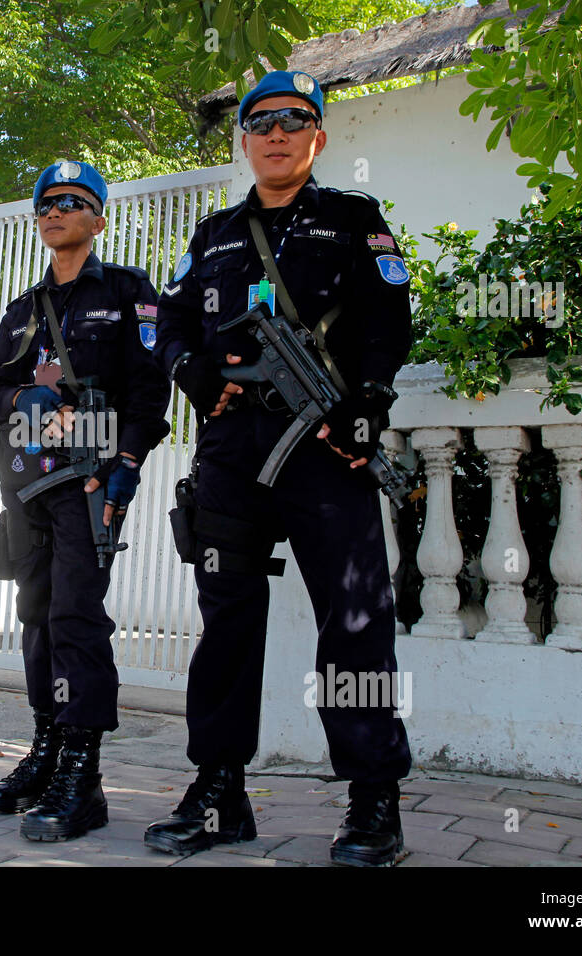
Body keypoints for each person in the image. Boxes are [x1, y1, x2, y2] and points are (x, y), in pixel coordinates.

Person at [145, 70, 414, 865]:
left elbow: (388, 317)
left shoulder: (352, 219)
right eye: (261, 121)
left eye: (294, 120)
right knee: (227, 622)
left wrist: (369, 399)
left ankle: (373, 802)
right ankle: (220, 791)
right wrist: (189, 369)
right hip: (233, 453)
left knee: (354, 623)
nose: (275, 133)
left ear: (317, 137)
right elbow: (170, 318)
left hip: (327, 447)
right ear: (245, 138)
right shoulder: (215, 234)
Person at [0, 161, 170, 841]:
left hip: (88, 482)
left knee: (75, 617)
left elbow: (150, 393)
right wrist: (19, 399)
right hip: (25, 479)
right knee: (34, 615)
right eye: (47, 204)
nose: (57, 211)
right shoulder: (22, 308)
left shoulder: (127, 292)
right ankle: (47, 751)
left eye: (74, 202)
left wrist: (126, 463)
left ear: (98, 218)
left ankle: (83, 778)